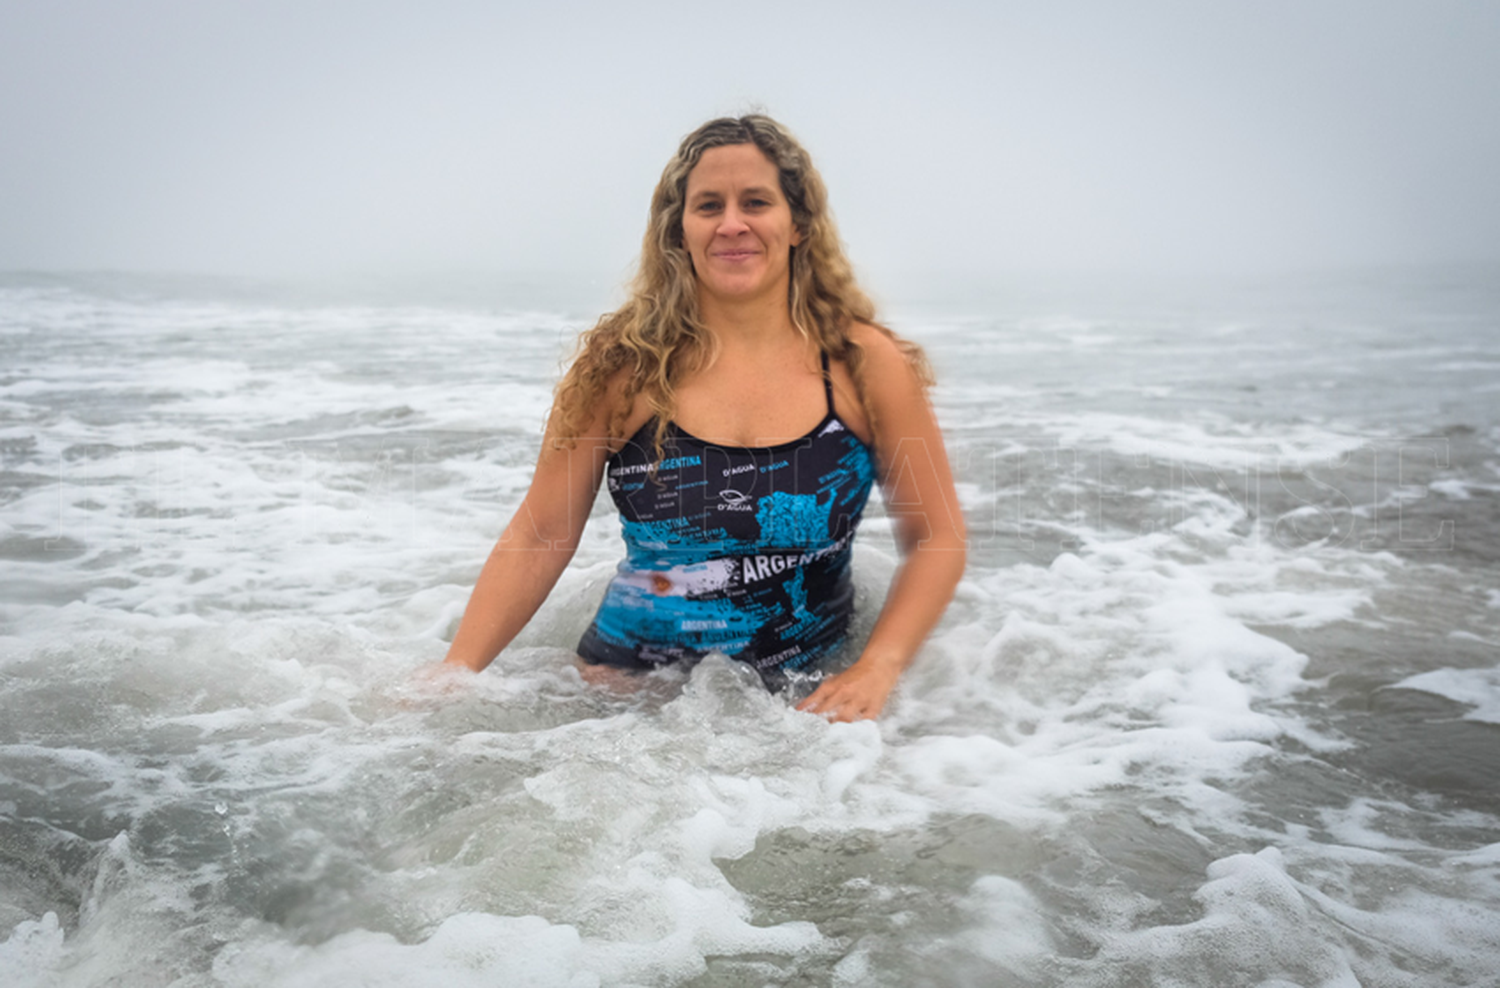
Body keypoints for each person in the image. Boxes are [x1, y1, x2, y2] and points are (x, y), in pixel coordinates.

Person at [440, 115, 965, 722]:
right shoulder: (624, 367)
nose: (732, 224)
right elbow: (541, 534)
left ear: (798, 225)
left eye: (756, 202)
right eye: (708, 205)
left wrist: (878, 667)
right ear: (679, 230)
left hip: (802, 711)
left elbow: (938, 537)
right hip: (619, 704)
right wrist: (454, 677)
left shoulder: (861, 364)